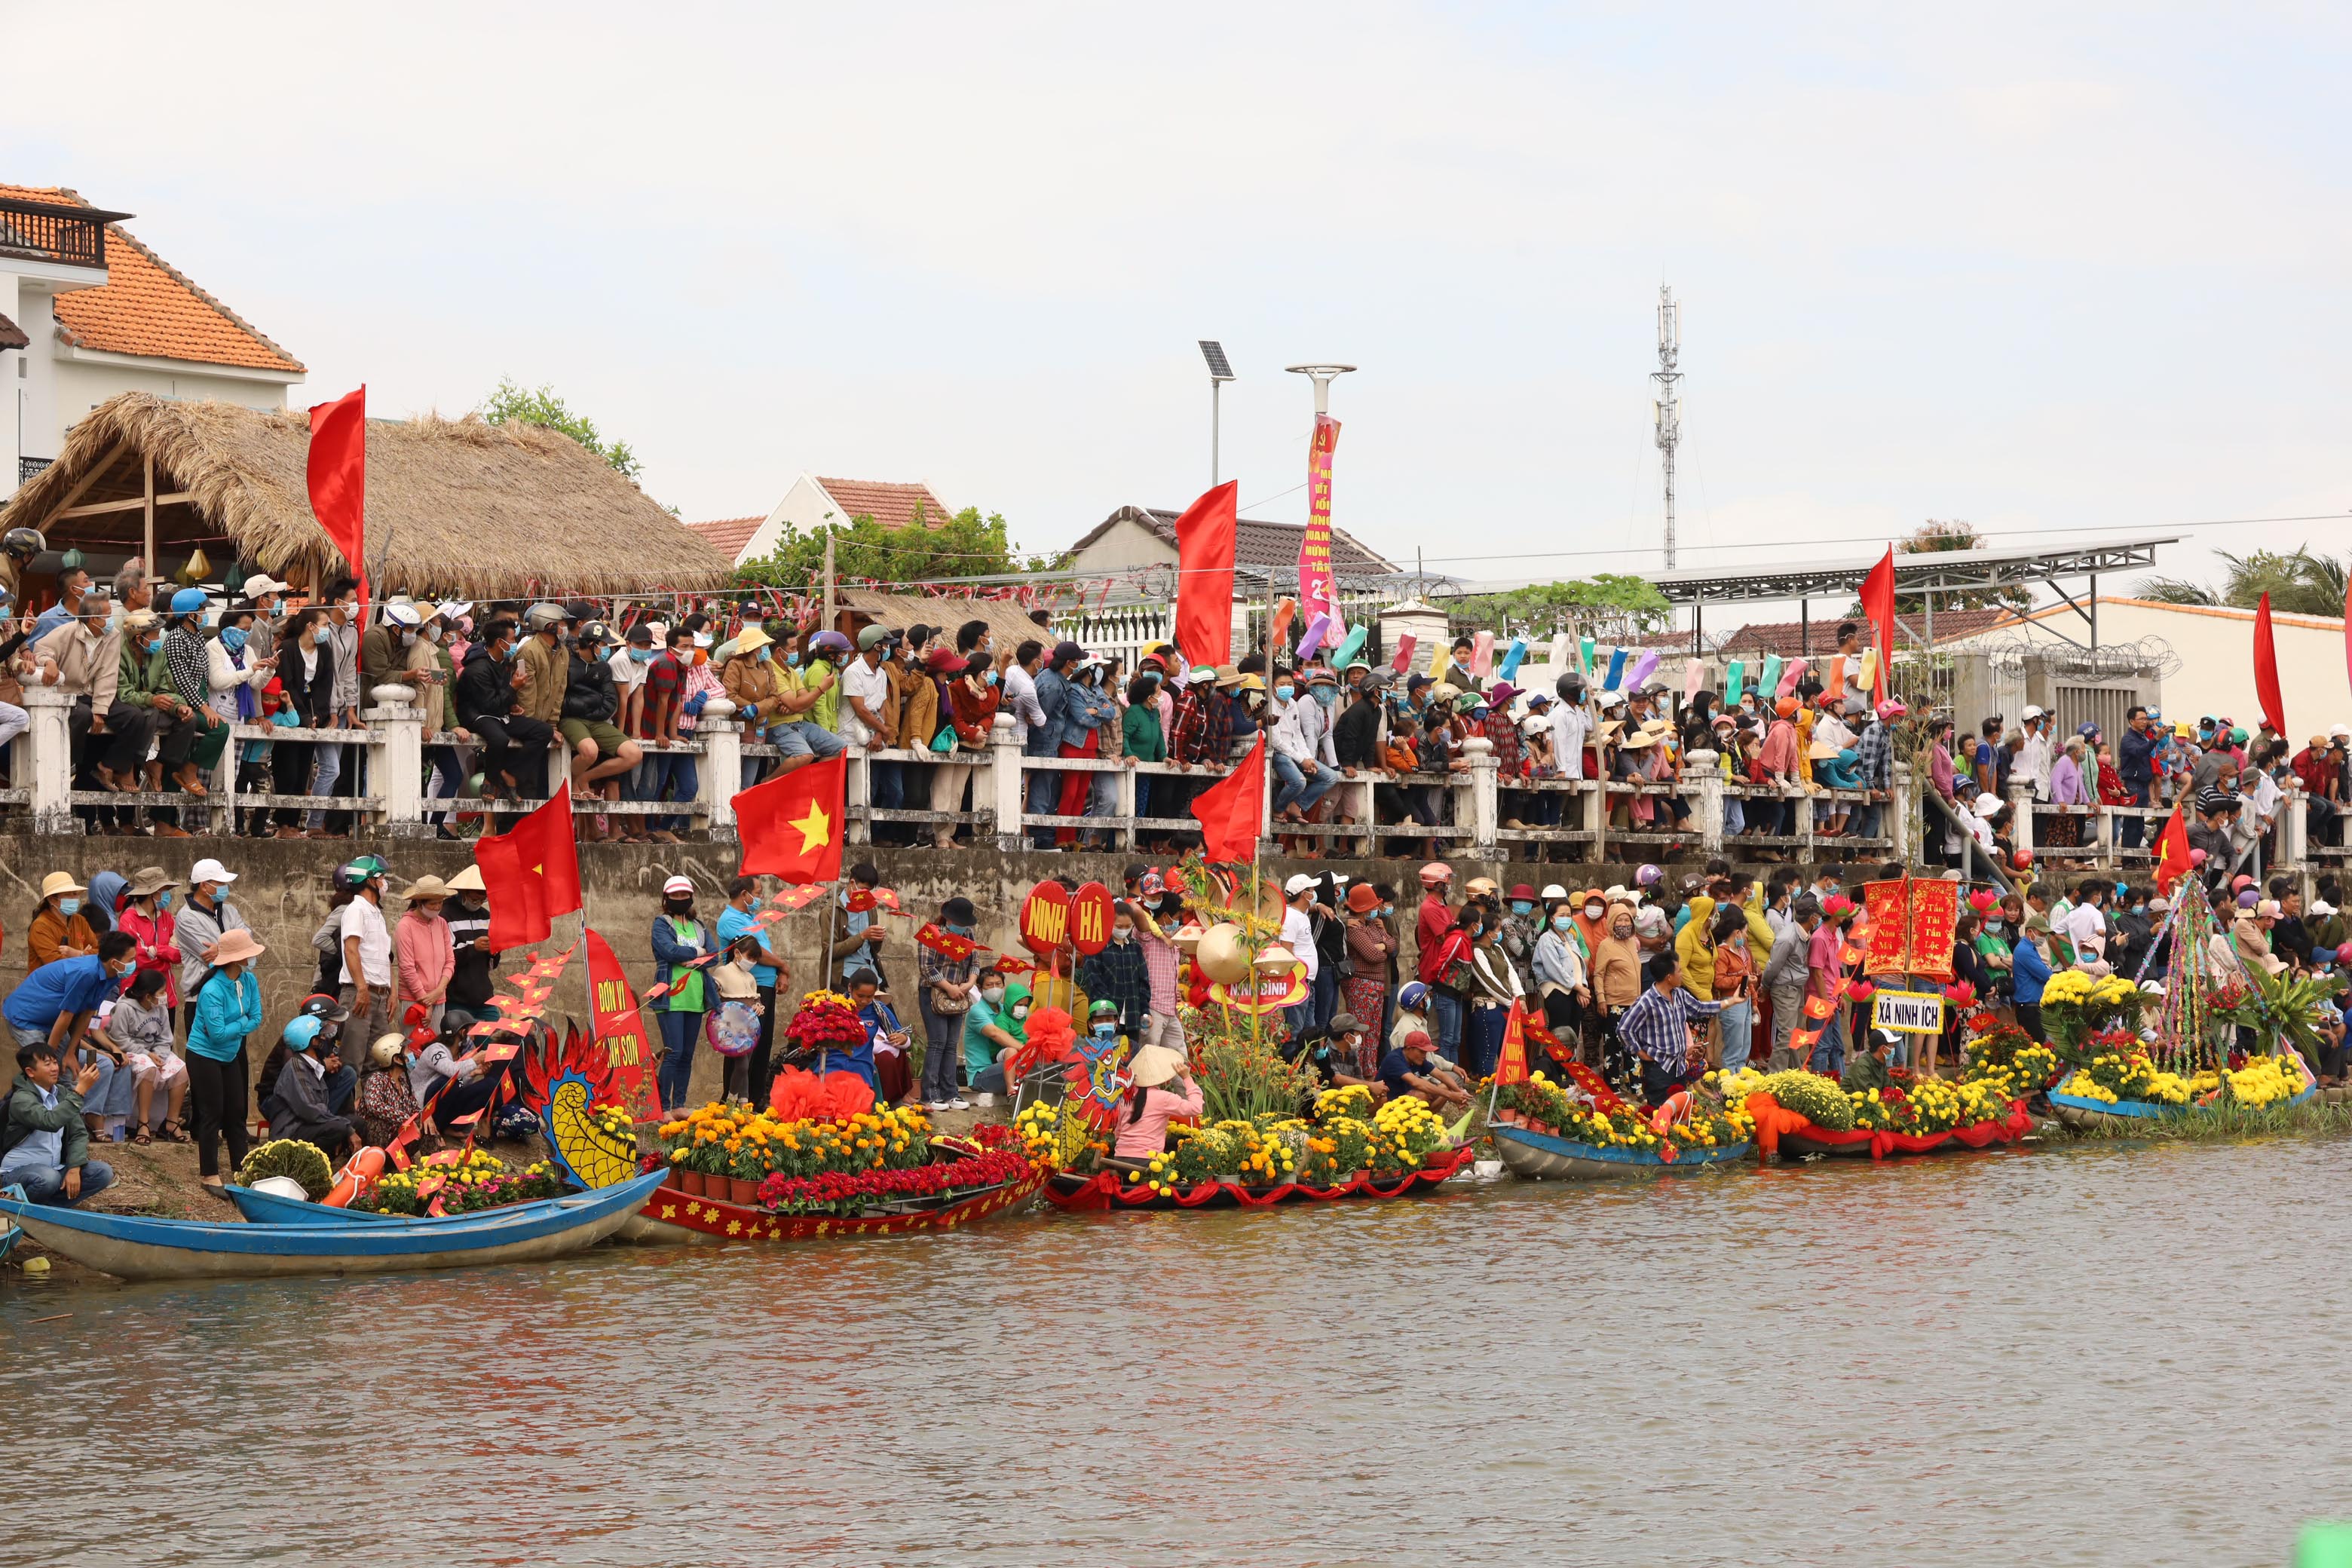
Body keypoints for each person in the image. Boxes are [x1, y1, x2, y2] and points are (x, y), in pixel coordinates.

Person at [185, 926, 268, 1190]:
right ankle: (209, 1173)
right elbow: (217, 1034)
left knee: (237, 1112)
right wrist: (242, 1023)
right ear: (237, 958)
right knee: (212, 1113)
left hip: (230, 1053)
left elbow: (257, 1017)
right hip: (204, 1055)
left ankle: (240, 1168)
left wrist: (240, 1023)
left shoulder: (249, 980)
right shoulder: (212, 991)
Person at [0, 1043, 114, 1207]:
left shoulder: (61, 1093)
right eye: (47, 1064)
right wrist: (80, 1090)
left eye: (55, 1062)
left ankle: (47, 1211)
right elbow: (50, 1121)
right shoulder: (21, 1099)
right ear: (30, 1072)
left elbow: (78, 1134)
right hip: (18, 1171)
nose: (54, 1068)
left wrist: (74, 1168)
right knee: (49, 1178)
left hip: (53, 1169)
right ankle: (17, 1209)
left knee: (102, 1173)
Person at [1617, 950, 1726, 1105]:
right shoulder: (1647, 1001)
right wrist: (1640, 1053)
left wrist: (1730, 1001)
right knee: (1660, 1115)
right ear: (1669, 977)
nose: (1682, 974)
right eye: (1679, 971)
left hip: (1679, 1068)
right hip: (1659, 1070)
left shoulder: (1679, 995)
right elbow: (1624, 1029)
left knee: (1680, 1113)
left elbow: (1700, 1008)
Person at [100, 967, 186, 1144]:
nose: (165, 996)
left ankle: (171, 1122)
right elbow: (119, 1039)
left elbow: (165, 1037)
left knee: (182, 1069)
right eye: (161, 993)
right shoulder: (124, 1008)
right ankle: (143, 1123)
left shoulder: (160, 1008)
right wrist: (147, 1054)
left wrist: (160, 1055)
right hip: (129, 1052)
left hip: (154, 1051)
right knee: (148, 1068)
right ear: (148, 996)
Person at [651, 875, 711, 1113]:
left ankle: (680, 1105)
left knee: (687, 1055)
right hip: (670, 996)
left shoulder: (700, 926)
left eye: (684, 895)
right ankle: (664, 1107)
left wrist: (697, 957)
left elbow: (715, 955)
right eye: (675, 895)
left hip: (695, 998)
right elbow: (670, 951)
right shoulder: (661, 924)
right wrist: (698, 951)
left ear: (691, 897)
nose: (680, 899)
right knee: (673, 1053)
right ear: (666, 898)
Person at [261, 1015, 358, 1160]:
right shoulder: (296, 1068)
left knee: (358, 1123)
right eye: (321, 1037)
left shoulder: (312, 1067)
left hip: (306, 1126)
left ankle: (344, 1169)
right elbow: (311, 1110)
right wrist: (346, 1128)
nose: (325, 1040)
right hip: (291, 1134)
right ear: (312, 1041)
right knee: (340, 1128)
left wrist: (347, 1126)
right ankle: (308, 1167)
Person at [175, 858, 249, 1036]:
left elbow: (248, 940)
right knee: (207, 1056)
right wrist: (236, 947)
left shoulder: (230, 910)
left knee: (237, 1058)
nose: (225, 886)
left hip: (234, 995)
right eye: (220, 882)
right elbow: (212, 956)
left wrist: (222, 947)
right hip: (202, 997)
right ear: (204, 886)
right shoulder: (186, 917)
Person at [337, 857, 396, 1049]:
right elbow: (351, 950)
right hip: (360, 992)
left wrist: (392, 992)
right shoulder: (356, 910)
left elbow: (386, 957)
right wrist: (362, 989)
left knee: (379, 1059)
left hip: (380, 995)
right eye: (382, 878)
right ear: (371, 881)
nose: (384, 883)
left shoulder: (377, 913)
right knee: (353, 1058)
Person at [1110, 1044, 1202, 1162]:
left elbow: (1118, 1132)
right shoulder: (1164, 1098)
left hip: (1120, 1158)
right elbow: (1196, 1108)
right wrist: (1187, 1078)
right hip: (1147, 1161)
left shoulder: (1125, 1097)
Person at [1078, 903, 1150, 1046]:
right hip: (1104, 1021)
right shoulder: (1097, 947)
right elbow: (1093, 980)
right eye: (1119, 926)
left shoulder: (1135, 947)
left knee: (1130, 1058)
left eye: (1128, 926)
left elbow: (1143, 982)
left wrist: (1145, 1011)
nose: (1124, 930)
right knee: (1104, 1059)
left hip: (1132, 1019)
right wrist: (1109, 1012)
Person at [394, 875, 458, 1033]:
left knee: (436, 1046)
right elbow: (407, 968)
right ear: (419, 902)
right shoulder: (405, 926)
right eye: (433, 903)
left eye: (440, 902)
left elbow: (450, 961)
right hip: (414, 999)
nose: (437, 907)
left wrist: (438, 991)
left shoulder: (442, 923)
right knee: (412, 1048)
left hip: (439, 997)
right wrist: (425, 1001)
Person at [1377, 1030, 1472, 1110]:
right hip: (1387, 1105)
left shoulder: (1417, 1059)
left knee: (1445, 1087)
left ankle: (1427, 1120)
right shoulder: (1394, 1059)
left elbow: (1441, 1076)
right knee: (1421, 1095)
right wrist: (1451, 1096)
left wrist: (1459, 1093)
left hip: (1403, 1100)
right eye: (1422, 1051)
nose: (1424, 1055)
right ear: (1409, 1048)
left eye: (1425, 1052)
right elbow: (1416, 1083)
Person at [2013, 914, 2055, 1042]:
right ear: (2030, 932)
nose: (2043, 938)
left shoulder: (2031, 948)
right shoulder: (2024, 950)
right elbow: (2046, 974)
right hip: (2028, 1008)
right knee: (2039, 1045)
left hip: (2033, 1006)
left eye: (2044, 935)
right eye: (2041, 934)